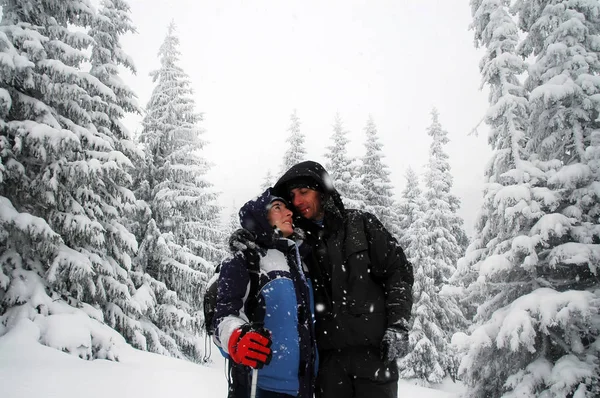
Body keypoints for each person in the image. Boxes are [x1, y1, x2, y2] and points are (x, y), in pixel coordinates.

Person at [272, 160, 414, 398]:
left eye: (304, 192)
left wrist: (398, 325)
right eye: (293, 196)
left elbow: (398, 272)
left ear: (322, 192)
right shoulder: (297, 241)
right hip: (328, 364)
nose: (297, 201)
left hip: (374, 359)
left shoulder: (362, 224)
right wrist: (249, 232)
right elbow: (265, 234)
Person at [214, 188, 318, 398]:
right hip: (259, 388)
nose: (289, 213)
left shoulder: (302, 263)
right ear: (261, 216)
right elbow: (223, 316)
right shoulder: (245, 259)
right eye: (278, 208)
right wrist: (237, 337)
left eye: (288, 208)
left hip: (306, 389)